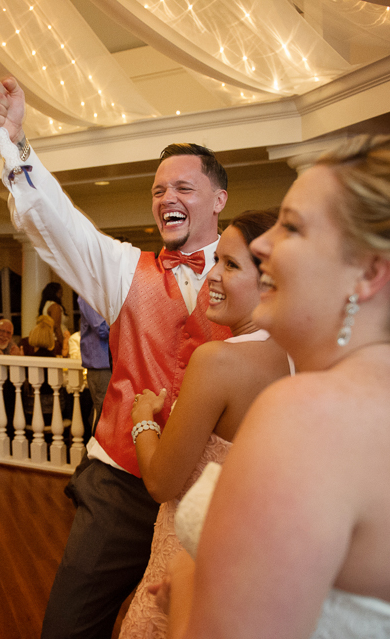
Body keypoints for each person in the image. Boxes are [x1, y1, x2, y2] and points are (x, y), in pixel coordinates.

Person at [158, 135, 390, 639]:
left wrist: (187, 579)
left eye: (293, 228)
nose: (263, 246)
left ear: (370, 271)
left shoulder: (310, 412)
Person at [0, 77, 232, 638]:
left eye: (184, 189)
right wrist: (14, 142)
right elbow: (58, 226)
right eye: (159, 190)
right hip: (121, 480)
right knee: (69, 625)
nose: (167, 199)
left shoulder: (250, 278)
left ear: (219, 200)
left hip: (215, 490)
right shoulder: (122, 268)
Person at [118, 210, 289, 639]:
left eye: (230, 265)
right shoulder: (298, 359)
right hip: (248, 568)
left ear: (271, 281)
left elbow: (161, 482)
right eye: (216, 261)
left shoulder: (218, 361)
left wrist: (142, 421)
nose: (212, 276)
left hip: (188, 561)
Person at [76, 296, 111, 434]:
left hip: (109, 362)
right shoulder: (88, 295)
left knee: (107, 414)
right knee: (105, 414)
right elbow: (102, 328)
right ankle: (94, 454)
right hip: (100, 365)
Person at [39, 282, 69, 356]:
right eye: (60, 292)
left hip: (50, 340)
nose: (62, 294)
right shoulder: (55, 306)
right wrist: (63, 345)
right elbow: (56, 327)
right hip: (56, 341)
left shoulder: (46, 304)